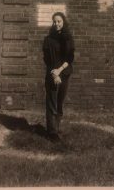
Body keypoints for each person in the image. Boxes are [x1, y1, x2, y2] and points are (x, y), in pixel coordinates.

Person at [42, 12, 75, 141]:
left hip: (65, 74)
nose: (56, 24)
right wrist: (54, 74)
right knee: (51, 103)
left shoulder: (68, 38)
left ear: (63, 22)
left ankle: (57, 127)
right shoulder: (48, 40)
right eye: (54, 21)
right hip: (52, 74)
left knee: (60, 103)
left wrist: (60, 71)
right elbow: (47, 60)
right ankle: (52, 133)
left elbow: (70, 58)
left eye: (59, 21)